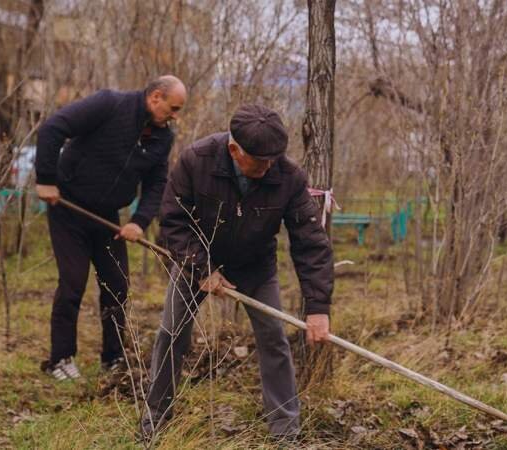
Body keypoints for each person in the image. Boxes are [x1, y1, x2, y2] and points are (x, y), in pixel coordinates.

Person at [142, 104, 334, 440]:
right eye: (261, 161)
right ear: (234, 150)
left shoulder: (289, 177)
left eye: (274, 158)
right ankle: (154, 422)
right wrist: (202, 269)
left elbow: (310, 243)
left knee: (274, 338)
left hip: (255, 266)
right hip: (194, 263)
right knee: (171, 334)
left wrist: (318, 307)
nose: (269, 166)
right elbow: (173, 221)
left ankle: (285, 431)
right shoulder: (196, 160)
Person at [34, 75, 187, 380]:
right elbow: (53, 129)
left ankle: (113, 358)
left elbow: (157, 183)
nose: (175, 116)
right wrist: (46, 179)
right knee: (72, 283)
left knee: (117, 285)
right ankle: (61, 359)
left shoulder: (162, 137)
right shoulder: (109, 104)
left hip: (107, 217)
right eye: (173, 108)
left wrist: (139, 222)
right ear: (156, 97)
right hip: (67, 207)